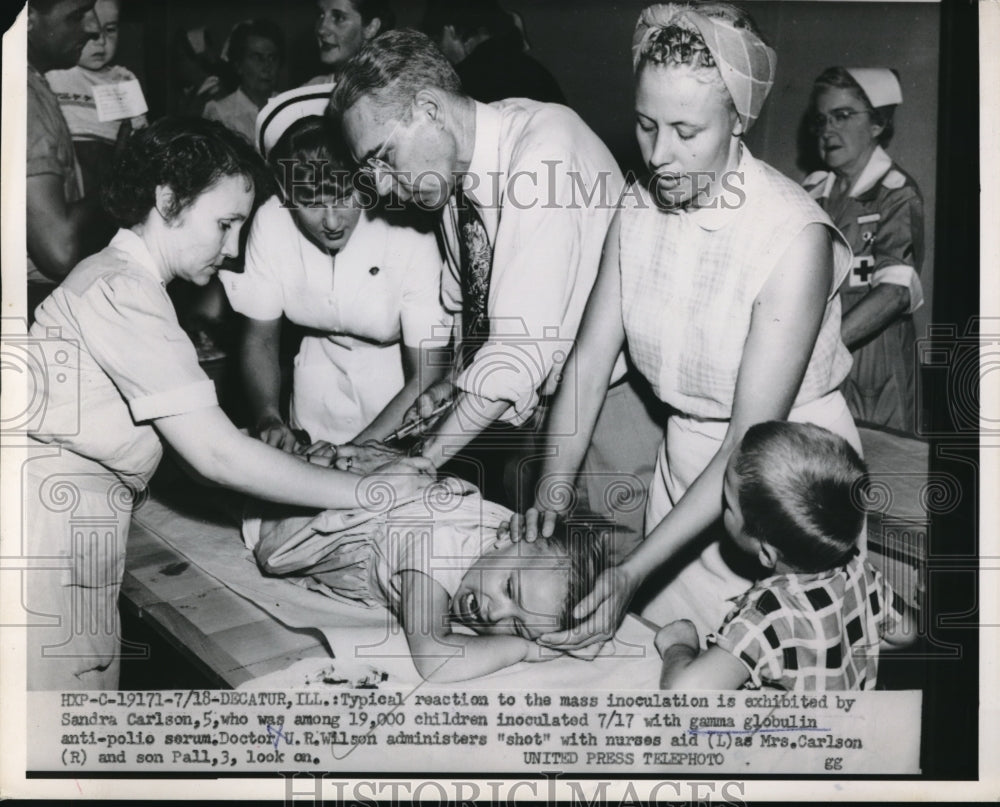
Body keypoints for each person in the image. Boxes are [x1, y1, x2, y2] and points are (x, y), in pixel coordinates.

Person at [24, 117, 434, 690]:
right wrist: (371, 490)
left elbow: (198, 450)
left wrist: (313, 466)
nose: (234, 246)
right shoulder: (120, 292)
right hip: (47, 541)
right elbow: (215, 456)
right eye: (224, 224)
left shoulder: (125, 286)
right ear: (168, 201)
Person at [513, 3, 860, 650]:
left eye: (685, 130)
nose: (660, 155)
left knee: (768, 678)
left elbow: (748, 440)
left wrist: (634, 567)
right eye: (646, 125)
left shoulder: (792, 238)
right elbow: (589, 366)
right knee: (669, 664)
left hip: (789, 487)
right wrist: (551, 493)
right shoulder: (637, 206)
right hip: (684, 481)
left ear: (738, 121)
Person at [329, 29, 663, 531]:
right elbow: (478, 320)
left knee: (611, 577)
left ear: (429, 109)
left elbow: (519, 351)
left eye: (381, 157)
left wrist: (418, 459)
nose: (377, 184)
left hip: (609, 413)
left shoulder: (545, 151)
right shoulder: (452, 178)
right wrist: (453, 383)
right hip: (525, 415)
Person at [220, 85, 452, 453]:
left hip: (400, 409)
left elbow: (427, 374)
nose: (331, 221)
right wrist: (268, 416)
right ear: (285, 194)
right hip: (313, 399)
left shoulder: (409, 230)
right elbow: (260, 339)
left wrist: (354, 452)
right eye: (310, 202)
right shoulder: (270, 222)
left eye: (345, 197)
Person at [249, 478, 609, 681]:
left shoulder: (511, 548)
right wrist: (527, 647)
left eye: (517, 626)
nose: (496, 614)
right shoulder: (436, 549)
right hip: (297, 513)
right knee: (246, 508)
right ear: (506, 536)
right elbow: (436, 658)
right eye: (509, 589)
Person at [656, 422, 915, 691]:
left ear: (767, 553)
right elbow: (906, 633)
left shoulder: (766, 616)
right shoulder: (858, 570)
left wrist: (679, 644)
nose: (723, 506)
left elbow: (683, 693)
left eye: (729, 504)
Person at [803, 68, 924, 433]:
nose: (827, 130)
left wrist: (820, 347)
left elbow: (896, 292)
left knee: (880, 471)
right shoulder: (810, 191)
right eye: (821, 119)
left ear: (877, 124)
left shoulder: (896, 192)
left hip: (875, 363)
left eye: (842, 116)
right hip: (817, 357)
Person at [26, 0, 101, 316]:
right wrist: (119, 177)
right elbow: (58, 251)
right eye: (77, 15)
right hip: (33, 305)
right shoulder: (23, 97)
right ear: (28, 19)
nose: (93, 27)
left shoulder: (32, 83)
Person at [45, 0, 148, 197]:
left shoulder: (123, 80)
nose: (101, 41)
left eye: (110, 30)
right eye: (91, 33)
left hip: (107, 174)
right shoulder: (54, 74)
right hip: (62, 173)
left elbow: (140, 135)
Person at [422, 0, 566, 105]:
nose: (441, 53)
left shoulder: (467, 81)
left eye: (438, 41)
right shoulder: (536, 71)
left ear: (450, 30)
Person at [203, 19, 284, 143]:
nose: (267, 67)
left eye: (272, 58)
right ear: (238, 65)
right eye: (257, 58)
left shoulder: (289, 107)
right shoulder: (220, 114)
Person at [304, 0, 394, 86]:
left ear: (371, 27)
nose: (321, 30)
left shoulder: (393, 90)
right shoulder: (310, 89)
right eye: (321, 15)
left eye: (339, 18)